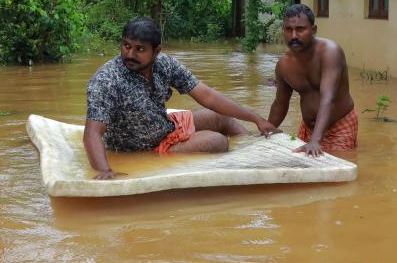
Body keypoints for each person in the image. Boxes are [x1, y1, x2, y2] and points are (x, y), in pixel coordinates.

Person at [84, 17, 279, 179]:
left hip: (165, 126)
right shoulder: (107, 80)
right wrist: (104, 171)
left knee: (222, 118)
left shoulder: (164, 64)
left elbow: (208, 96)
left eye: (139, 49)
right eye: (126, 46)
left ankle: (253, 154)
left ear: (156, 51)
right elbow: (92, 133)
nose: (130, 54)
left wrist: (256, 118)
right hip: (145, 146)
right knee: (217, 141)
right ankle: (240, 166)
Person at [268, 4, 357, 157]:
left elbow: (328, 99)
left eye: (300, 29)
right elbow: (280, 104)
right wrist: (266, 131)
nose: (294, 36)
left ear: (314, 30)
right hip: (308, 129)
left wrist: (315, 141)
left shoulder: (330, 52)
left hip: (339, 126)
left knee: (339, 173)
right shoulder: (283, 64)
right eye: (289, 30)